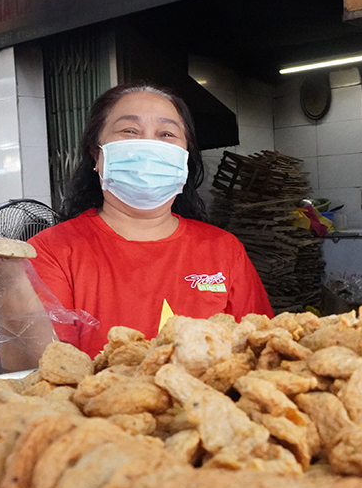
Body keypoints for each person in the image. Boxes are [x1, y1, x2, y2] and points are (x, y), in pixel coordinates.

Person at [18, 83, 272, 362]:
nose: (150, 146)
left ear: (185, 157)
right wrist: (9, 286)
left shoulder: (224, 249)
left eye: (166, 134)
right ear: (96, 154)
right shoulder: (51, 251)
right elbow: (38, 365)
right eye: (129, 131)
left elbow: (262, 348)